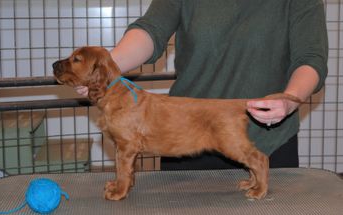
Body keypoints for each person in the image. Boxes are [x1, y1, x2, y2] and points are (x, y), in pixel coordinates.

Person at [75, 0, 328, 170]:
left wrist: (290, 97)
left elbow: (310, 58)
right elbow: (151, 30)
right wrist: (106, 68)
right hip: (184, 137)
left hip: (264, 139)